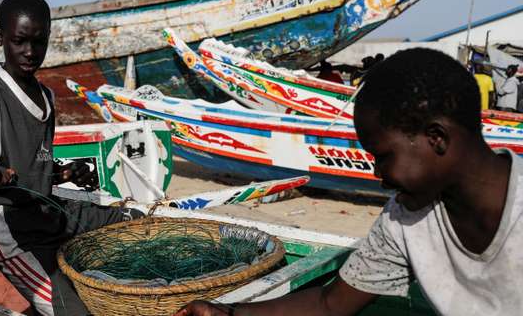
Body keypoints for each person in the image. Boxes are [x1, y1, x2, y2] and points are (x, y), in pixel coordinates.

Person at [174, 48, 523, 316]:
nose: (378, 175)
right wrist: (230, 313)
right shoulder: (404, 217)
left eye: (383, 156)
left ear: (436, 138)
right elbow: (330, 304)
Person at [0, 0, 142, 316]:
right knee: (73, 309)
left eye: (39, 42)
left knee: (131, 223)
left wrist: (65, 173)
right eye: (19, 41)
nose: (29, 52)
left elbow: (38, 166)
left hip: (43, 209)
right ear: (0, 38)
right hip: (3, 222)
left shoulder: (47, 96)